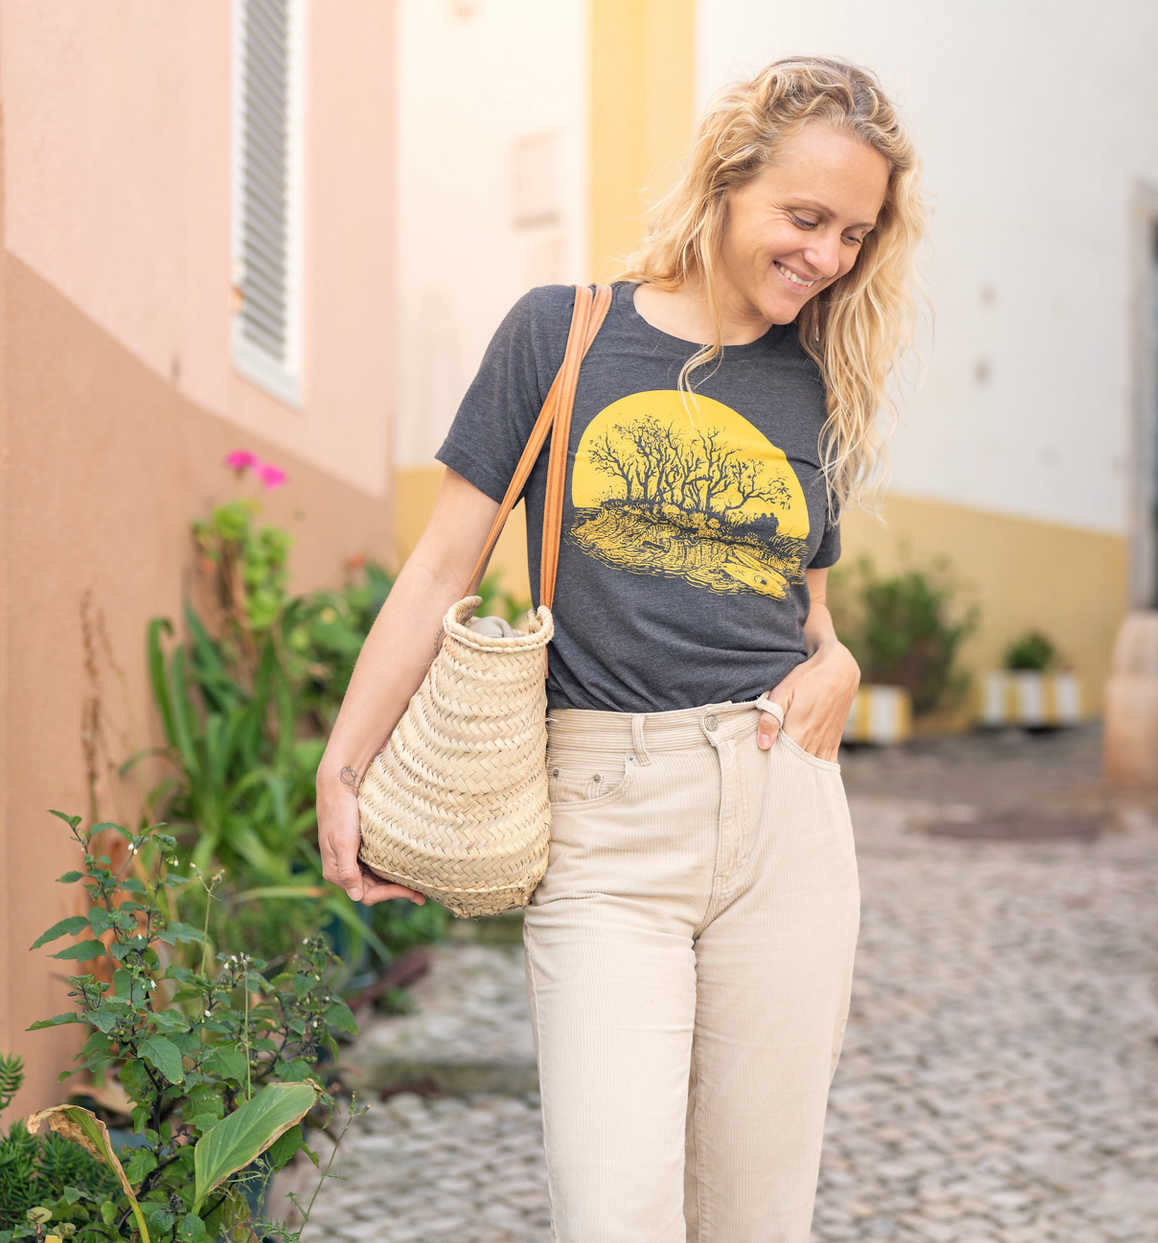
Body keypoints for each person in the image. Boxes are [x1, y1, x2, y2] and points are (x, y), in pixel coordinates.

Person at [317, 54, 924, 1243]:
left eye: (855, 234)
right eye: (805, 218)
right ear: (726, 183)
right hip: (605, 821)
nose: (828, 257)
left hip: (785, 816)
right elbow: (439, 567)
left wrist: (840, 661)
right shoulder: (561, 335)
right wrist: (345, 767)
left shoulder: (818, 382)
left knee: (755, 1217)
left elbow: (804, 610)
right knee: (614, 1209)